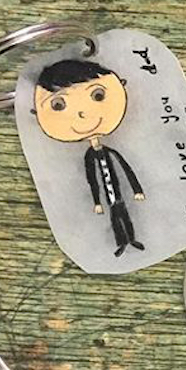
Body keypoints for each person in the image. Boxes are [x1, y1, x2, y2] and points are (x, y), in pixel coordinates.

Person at [33, 59, 146, 256]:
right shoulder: (89, 157)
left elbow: (125, 169)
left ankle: (132, 239)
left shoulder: (111, 152)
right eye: (58, 105)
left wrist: (137, 190)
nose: (83, 114)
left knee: (123, 215)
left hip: (118, 195)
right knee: (115, 218)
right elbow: (92, 179)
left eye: (98, 95)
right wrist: (97, 202)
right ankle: (121, 243)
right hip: (109, 198)